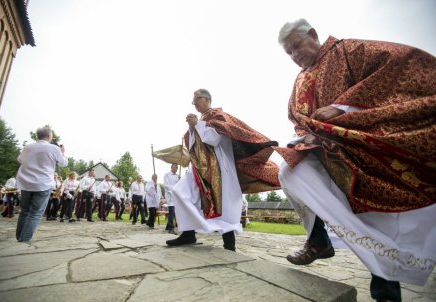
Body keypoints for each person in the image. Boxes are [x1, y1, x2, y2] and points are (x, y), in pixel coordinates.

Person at [276, 19, 436, 302]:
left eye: (296, 46)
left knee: (376, 221)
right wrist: (303, 137)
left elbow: (399, 69)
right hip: (323, 152)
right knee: (289, 172)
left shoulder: (348, 50)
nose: (294, 56)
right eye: (288, 53)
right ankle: (318, 238)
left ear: (313, 35)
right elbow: (297, 118)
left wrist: (342, 108)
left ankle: (386, 292)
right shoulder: (299, 81)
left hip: (365, 150)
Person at [166, 89, 280, 251]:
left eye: (196, 100)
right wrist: (192, 129)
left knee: (225, 204)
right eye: (193, 101)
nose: (194, 104)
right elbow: (192, 144)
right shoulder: (202, 120)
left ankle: (229, 243)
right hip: (199, 168)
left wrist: (196, 125)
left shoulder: (219, 116)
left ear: (206, 99)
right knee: (180, 192)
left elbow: (215, 138)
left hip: (219, 168)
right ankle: (188, 233)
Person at [15, 126, 68, 243]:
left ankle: (19, 237)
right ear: (49, 136)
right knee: (35, 213)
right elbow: (63, 163)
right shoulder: (54, 148)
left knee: (24, 211)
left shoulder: (28, 147)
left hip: (26, 182)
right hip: (42, 183)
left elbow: (20, 160)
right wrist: (63, 152)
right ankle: (24, 240)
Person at [163, 163, 179, 234]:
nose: (176, 168)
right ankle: (170, 228)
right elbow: (166, 185)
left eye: (177, 167)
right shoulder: (167, 175)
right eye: (175, 167)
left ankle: (168, 226)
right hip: (170, 196)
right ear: (171, 167)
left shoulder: (178, 176)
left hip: (176, 196)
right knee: (171, 211)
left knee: (174, 212)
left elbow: (179, 185)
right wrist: (174, 190)